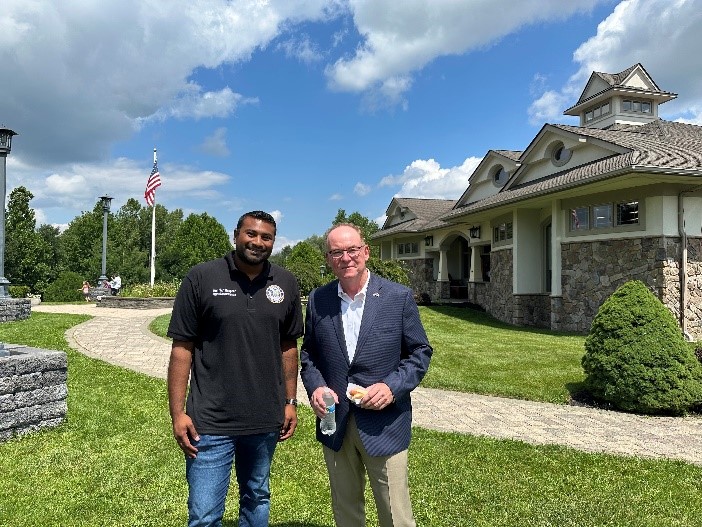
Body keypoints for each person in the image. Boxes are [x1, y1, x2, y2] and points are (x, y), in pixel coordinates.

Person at [167, 210, 303, 527]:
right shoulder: (202, 277)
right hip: (209, 421)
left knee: (257, 498)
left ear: (273, 242)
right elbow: (182, 349)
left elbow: (288, 347)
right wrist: (177, 413)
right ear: (236, 235)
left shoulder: (285, 282)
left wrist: (290, 401)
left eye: (266, 237)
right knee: (204, 515)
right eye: (251, 234)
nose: (258, 242)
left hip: (264, 418)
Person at [300, 223, 433, 527]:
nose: (346, 257)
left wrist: (392, 387)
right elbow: (309, 355)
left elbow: (420, 352)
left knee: (395, 514)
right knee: (346, 510)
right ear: (328, 258)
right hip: (335, 422)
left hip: (384, 423)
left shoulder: (397, 297)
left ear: (366, 252)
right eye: (336, 252)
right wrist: (316, 388)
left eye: (352, 249)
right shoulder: (319, 300)